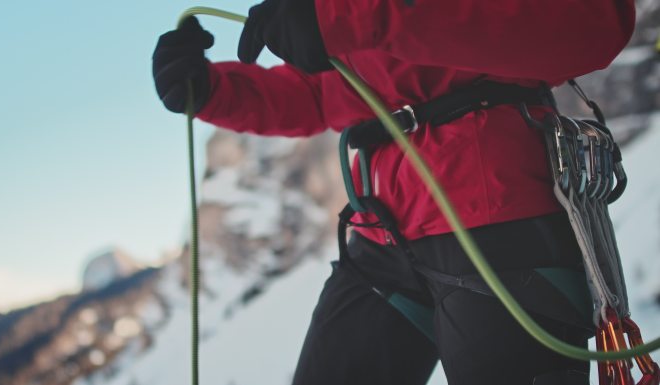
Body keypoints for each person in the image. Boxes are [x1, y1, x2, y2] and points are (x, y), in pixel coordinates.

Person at [152, 1, 635, 384]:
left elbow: (590, 20)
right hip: (382, 229)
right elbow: (326, 94)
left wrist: (350, 15)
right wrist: (212, 90)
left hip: (497, 207)